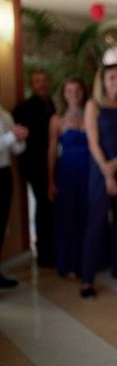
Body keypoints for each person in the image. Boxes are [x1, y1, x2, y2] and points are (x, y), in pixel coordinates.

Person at [80, 64, 117, 298]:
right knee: (97, 222)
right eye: (111, 77)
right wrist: (107, 171)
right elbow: (93, 142)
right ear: (102, 80)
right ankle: (87, 279)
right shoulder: (93, 105)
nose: (116, 81)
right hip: (100, 169)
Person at [47, 78, 90, 279]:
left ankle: (89, 260)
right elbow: (51, 151)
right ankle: (69, 263)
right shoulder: (57, 119)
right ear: (64, 94)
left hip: (90, 170)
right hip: (67, 171)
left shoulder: (91, 115)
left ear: (83, 92)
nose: (73, 94)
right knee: (68, 218)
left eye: (77, 90)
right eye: (69, 90)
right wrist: (50, 180)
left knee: (88, 216)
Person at [13, 69, 56, 267]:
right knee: (43, 206)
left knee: (50, 206)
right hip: (35, 165)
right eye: (37, 81)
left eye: (44, 80)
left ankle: (51, 248)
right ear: (32, 85)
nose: (41, 84)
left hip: (51, 164)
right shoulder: (24, 108)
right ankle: (44, 253)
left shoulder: (52, 104)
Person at [0, 94, 28, 288]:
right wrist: (11, 137)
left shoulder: (5, 114)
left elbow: (16, 149)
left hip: (4, 174)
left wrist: (20, 139)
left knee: (1, 226)